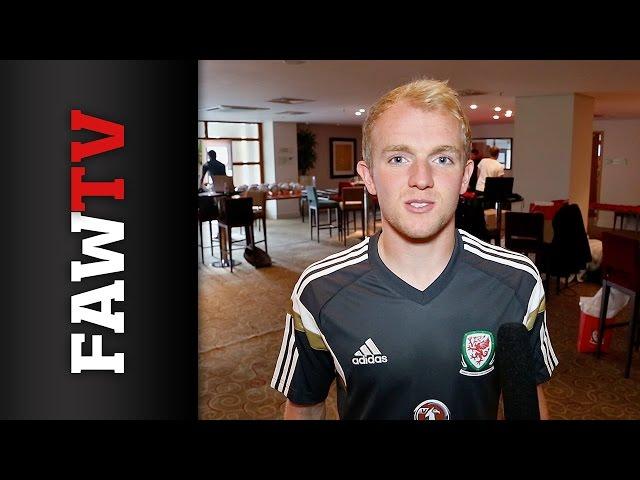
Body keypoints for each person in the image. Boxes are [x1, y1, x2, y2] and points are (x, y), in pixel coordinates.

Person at [271, 79, 557, 420]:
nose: (421, 178)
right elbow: (305, 407)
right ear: (369, 177)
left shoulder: (518, 281)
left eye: (442, 159)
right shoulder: (318, 290)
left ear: (465, 177)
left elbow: (528, 398)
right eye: (398, 158)